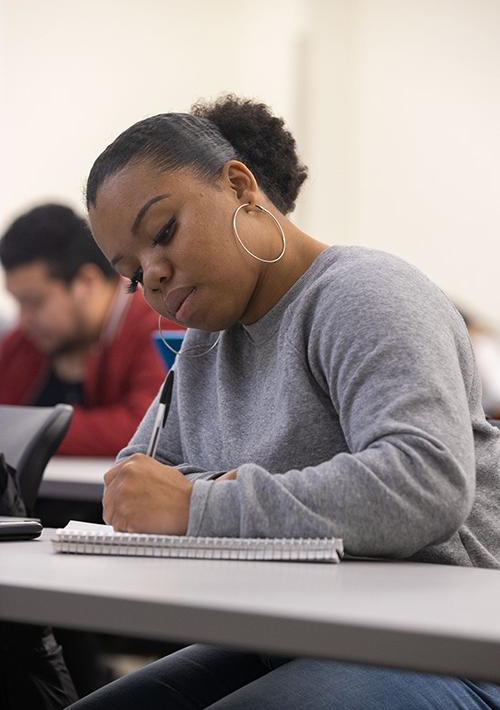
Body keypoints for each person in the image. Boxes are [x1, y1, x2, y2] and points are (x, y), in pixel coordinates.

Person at [70, 96, 500, 709]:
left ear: (240, 186)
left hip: (448, 642)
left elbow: (425, 484)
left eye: (163, 233)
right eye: (133, 273)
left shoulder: (364, 293)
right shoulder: (204, 345)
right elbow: (135, 487)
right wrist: (194, 498)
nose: (154, 277)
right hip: (298, 630)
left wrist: (200, 502)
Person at [0, 203, 181, 457]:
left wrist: (24, 430)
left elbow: (148, 429)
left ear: (87, 281)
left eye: (35, 302)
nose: (24, 318)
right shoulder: (23, 342)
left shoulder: (159, 327)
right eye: (17, 302)